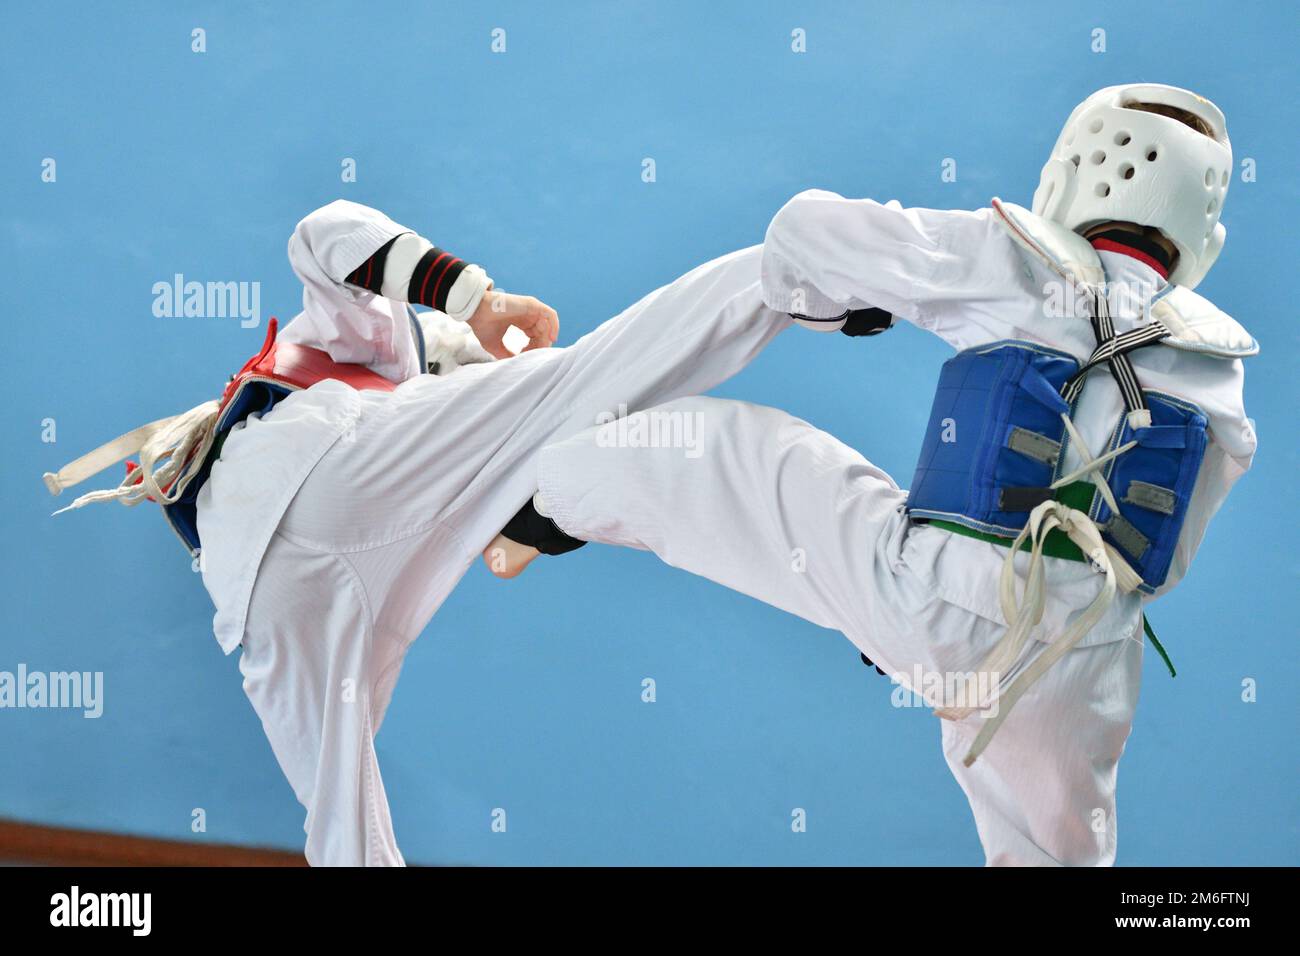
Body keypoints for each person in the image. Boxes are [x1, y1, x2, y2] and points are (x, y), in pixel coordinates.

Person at [495, 84, 1259, 865]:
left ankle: (533, 505)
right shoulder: (1218, 375)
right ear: (1204, 231)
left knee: (752, 459)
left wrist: (843, 303)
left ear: (1069, 171)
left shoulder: (1012, 256)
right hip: (1079, 667)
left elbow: (802, 231)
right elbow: (1161, 561)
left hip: (926, 596)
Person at [43, 200, 795, 865]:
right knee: (593, 373)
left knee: (345, 837)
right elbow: (323, 233)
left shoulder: (424, 430)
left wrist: (535, 522)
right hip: (324, 471)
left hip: (261, 598)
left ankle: (806, 272)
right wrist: (480, 300)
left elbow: (322, 237)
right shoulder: (383, 345)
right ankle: (806, 267)